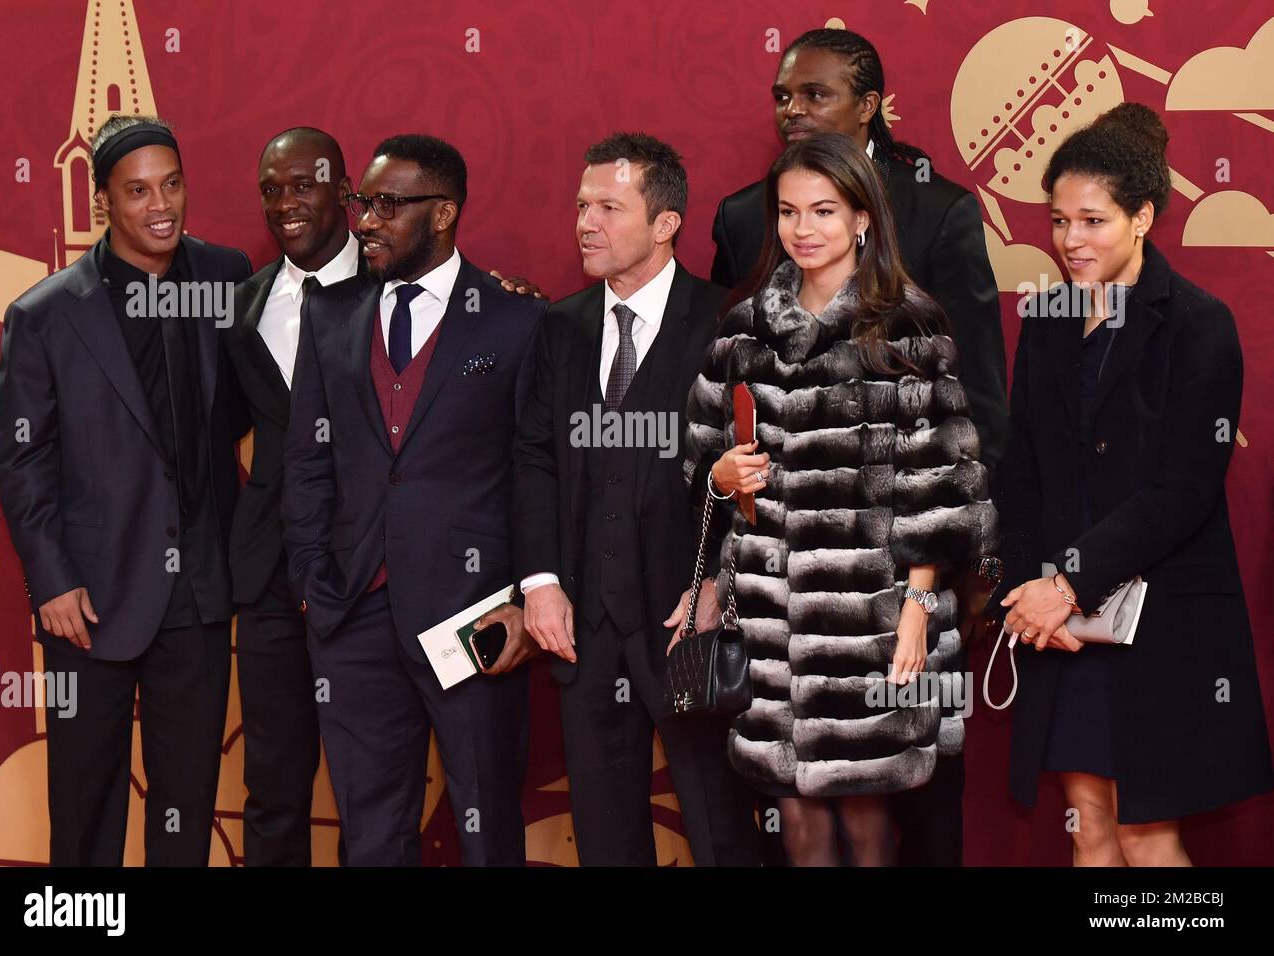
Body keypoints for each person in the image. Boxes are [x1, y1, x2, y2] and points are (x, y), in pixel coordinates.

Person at [709, 28, 1008, 864]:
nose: (793, 111)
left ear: (869, 104)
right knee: (798, 812)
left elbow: (975, 405)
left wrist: (961, 571)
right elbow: (720, 417)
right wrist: (723, 482)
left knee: (910, 804)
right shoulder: (741, 218)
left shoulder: (936, 209)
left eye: (815, 94)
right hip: (778, 598)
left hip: (897, 577)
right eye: (782, 96)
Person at [986, 103, 1274, 866]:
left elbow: (1183, 489)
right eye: (1057, 221)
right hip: (1065, 627)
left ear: (1142, 217)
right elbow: (1023, 472)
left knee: (1149, 837)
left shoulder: (1197, 324)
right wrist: (1026, 591)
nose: (1070, 241)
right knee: (1088, 826)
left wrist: (1069, 585)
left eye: (1093, 221)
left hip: (1160, 619)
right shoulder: (1047, 318)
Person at [0, 115, 251, 865]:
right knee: (84, 801)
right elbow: (23, 458)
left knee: (187, 800)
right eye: (137, 191)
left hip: (199, 589)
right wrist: (53, 578)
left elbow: (300, 349)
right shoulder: (45, 315)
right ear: (103, 198)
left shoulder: (225, 278)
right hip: (89, 596)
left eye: (171, 183)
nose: (161, 205)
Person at [283, 134, 545, 866]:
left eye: (389, 205)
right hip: (351, 611)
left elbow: (534, 475)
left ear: (444, 213)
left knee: (486, 824)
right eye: (365, 202)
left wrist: (525, 599)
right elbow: (306, 459)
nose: (366, 220)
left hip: (474, 617)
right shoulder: (329, 314)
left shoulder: (514, 320)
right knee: (369, 833)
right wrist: (312, 581)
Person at [513, 132, 761, 866]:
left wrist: (719, 583)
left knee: (722, 826)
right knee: (604, 834)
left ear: (664, 224)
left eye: (609, 207)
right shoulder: (558, 327)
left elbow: (754, 471)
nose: (586, 222)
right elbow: (532, 459)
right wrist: (541, 582)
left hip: (691, 624)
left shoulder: (727, 322)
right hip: (583, 626)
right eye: (582, 205)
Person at [225, 127, 360, 866]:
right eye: (271, 190)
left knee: (370, 781)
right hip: (270, 573)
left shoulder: (389, 286)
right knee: (272, 782)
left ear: (342, 189)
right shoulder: (244, 306)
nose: (286, 203)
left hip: (366, 568)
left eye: (303, 184)